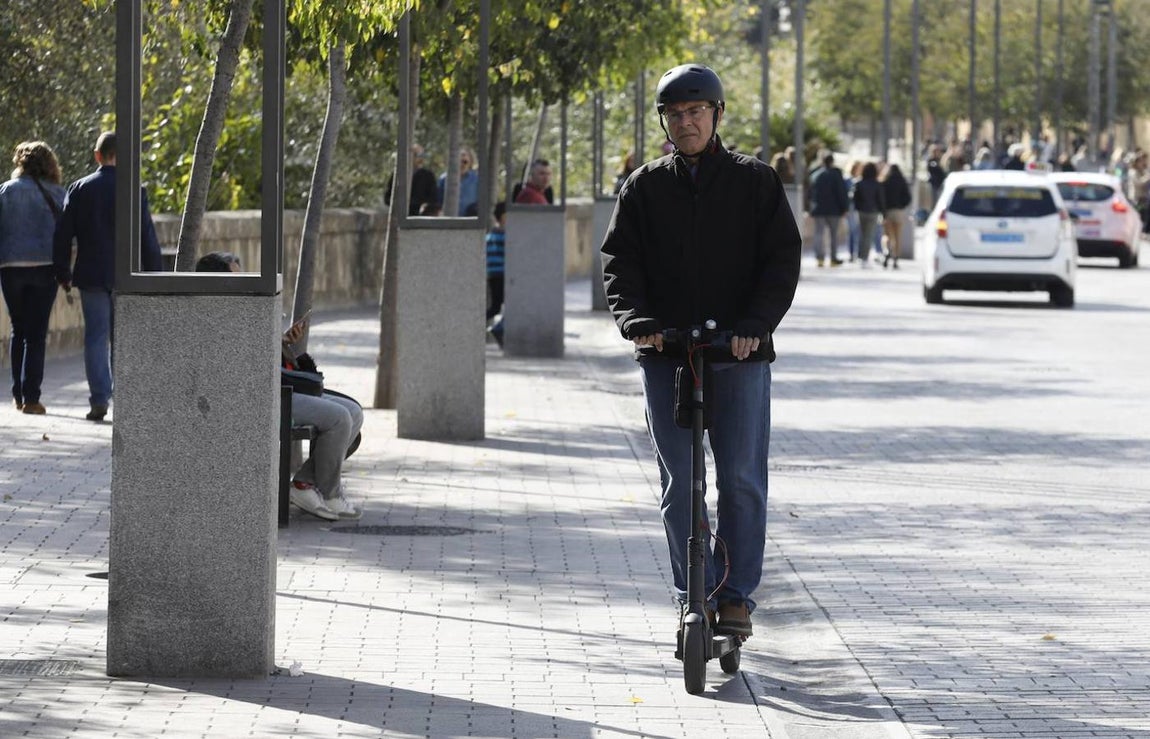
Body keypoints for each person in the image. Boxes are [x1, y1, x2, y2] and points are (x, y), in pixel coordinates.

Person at [600, 63, 802, 638]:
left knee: (739, 478)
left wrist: (756, 325)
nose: (686, 123)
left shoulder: (755, 182)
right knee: (679, 485)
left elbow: (781, 261)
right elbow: (620, 264)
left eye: (696, 112)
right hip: (667, 354)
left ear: (716, 115)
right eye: (675, 114)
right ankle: (697, 593)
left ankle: (736, 595)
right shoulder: (643, 187)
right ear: (663, 120)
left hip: (737, 353)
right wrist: (637, 321)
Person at [195, 251, 363, 521]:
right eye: (235, 277)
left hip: (278, 387)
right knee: (339, 418)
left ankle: (304, 484)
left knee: (353, 411)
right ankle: (330, 494)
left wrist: (283, 342)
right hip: (261, 397)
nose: (243, 284)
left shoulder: (240, 310)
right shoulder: (214, 317)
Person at [53, 131, 163, 422]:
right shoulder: (133, 189)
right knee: (123, 338)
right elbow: (147, 238)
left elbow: (63, 234)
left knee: (95, 338)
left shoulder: (79, 188)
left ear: (97, 155)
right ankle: (124, 400)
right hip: (126, 276)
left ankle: (99, 399)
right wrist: (156, 277)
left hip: (91, 274)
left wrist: (62, 272)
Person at [0, 141, 66, 415]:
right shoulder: (58, 193)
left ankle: (17, 395)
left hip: (10, 267)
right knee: (37, 335)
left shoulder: (5, 191)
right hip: (44, 267)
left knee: (19, 328)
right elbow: (66, 235)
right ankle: (32, 398)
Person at [807, 153, 849, 267]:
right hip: (833, 210)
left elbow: (810, 193)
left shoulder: (815, 174)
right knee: (833, 234)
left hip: (818, 209)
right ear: (832, 161)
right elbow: (841, 192)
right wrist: (844, 207)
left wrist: (810, 208)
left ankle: (819, 258)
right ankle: (833, 259)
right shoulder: (836, 174)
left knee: (818, 233)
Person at [385, 144, 440, 216]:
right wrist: (398, 205)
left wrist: (425, 206)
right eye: (418, 155)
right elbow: (388, 197)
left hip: (420, 218)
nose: (421, 159)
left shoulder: (428, 176)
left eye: (422, 156)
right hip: (400, 217)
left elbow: (433, 200)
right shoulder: (398, 174)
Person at [879, 163, 912, 269]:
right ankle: (896, 258)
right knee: (897, 237)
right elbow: (908, 197)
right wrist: (901, 206)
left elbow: (880, 197)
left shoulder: (884, 181)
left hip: (887, 211)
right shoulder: (902, 181)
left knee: (886, 235)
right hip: (898, 211)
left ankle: (886, 251)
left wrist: (882, 210)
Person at [853, 162, 885, 268]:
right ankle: (864, 258)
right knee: (868, 235)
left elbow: (855, 199)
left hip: (861, 212)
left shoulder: (859, 183)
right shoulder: (877, 184)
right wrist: (883, 212)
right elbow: (880, 199)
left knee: (862, 234)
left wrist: (858, 208)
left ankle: (859, 256)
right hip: (873, 212)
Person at [485, 201, 506, 347]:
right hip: (502, 274)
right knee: (498, 307)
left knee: (496, 306)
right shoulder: (503, 235)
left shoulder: (491, 234)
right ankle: (497, 328)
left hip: (493, 274)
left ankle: (498, 328)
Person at [437, 147, 479, 217]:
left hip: (470, 220)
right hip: (448, 219)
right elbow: (439, 201)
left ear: (470, 161)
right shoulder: (444, 179)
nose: (461, 164)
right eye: (458, 161)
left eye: (464, 162)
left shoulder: (476, 180)